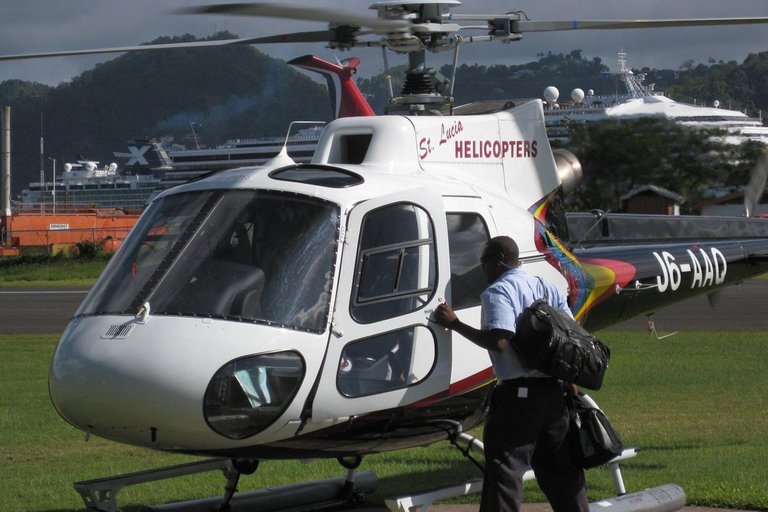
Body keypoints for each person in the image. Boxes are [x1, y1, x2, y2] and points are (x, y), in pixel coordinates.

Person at [434, 235, 589, 512]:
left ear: (501, 261)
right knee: (562, 472)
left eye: (484, 262)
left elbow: (499, 340)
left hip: (518, 400)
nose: (482, 269)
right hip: (554, 395)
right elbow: (570, 337)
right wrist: (569, 383)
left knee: (505, 473)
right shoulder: (547, 287)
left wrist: (455, 323)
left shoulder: (498, 292)